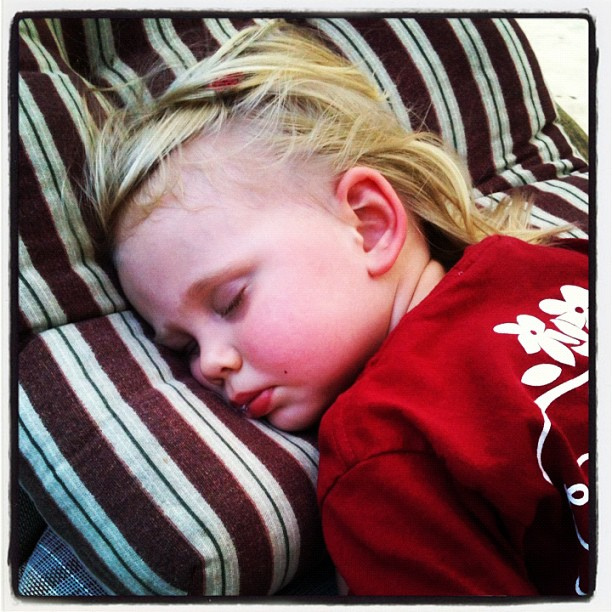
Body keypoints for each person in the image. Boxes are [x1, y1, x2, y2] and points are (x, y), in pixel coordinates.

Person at [85, 20, 589, 596]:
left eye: (229, 301)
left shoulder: (382, 449)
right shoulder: (388, 464)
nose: (208, 366)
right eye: (183, 347)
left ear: (369, 226)